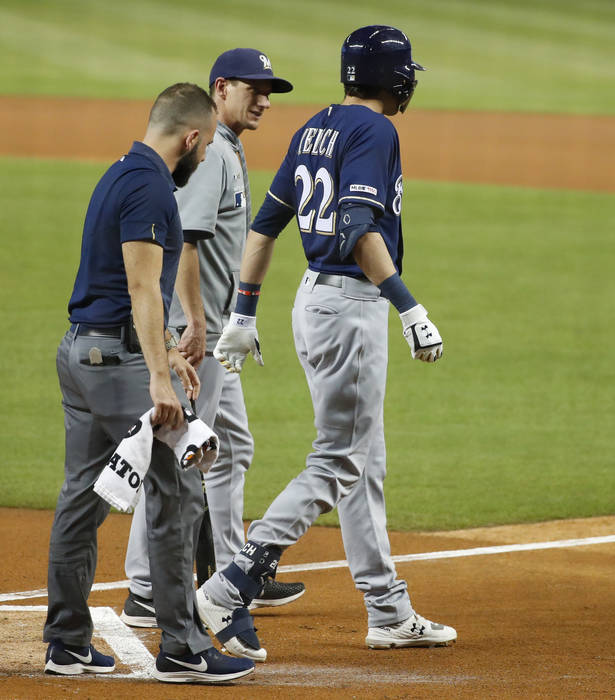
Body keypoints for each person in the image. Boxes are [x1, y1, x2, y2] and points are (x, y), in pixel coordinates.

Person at [192, 25, 456, 661]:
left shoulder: (316, 125)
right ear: (394, 78)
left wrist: (243, 313)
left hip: (309, 303)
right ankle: (232, 582)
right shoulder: (377, 131)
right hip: (350, 305)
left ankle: (387, 610)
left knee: (363, 462)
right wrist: (408, 304)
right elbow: (360, 225)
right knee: (337, 458)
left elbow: (265, 226)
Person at [43, 83, 254, 684]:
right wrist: (160, 377)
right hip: (118, 363)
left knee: (82, 495)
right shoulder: (150, 186)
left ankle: (66, 642)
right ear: (190, 138)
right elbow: (140, 287)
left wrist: (162, 354)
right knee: (179, 489)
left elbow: (129, 287)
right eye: (207, 142)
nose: (206, 152)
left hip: (85, 353)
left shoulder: (120, 171)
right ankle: (184, 647)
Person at [120, 49, 306, 631]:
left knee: (233, 448)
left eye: (269, 91)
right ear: (221, 88)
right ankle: (147, 587)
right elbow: (191, 244)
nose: (265, 101)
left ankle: (231, 573)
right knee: (177, 451)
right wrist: (197, 323)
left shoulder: (226, 148)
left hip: (217, 331)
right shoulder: (213, 154)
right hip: (197, 334)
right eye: (255, 89)